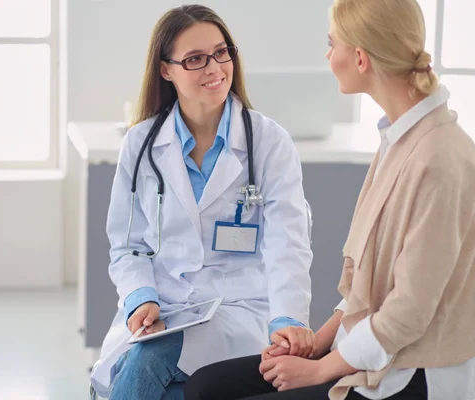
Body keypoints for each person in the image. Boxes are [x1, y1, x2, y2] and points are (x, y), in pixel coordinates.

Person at [184, 0, 475, 399]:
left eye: (331, 43)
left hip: (411, 371)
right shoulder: (397, 140)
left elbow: (407, 314)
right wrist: (315, 343)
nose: (327, 55)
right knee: (206, 387)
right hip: (363, 352)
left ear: (359, 58)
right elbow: (365, 291)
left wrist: (319, 370)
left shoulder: (439, 158)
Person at [90, 4, 315, 400]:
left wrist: (287, 318)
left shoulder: (268, 142)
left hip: (238, 308)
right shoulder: (141, 144)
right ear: (166, 70)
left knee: (147, 362)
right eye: (195, 59)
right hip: (164, 307)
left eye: (221, 52)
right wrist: (141, 297)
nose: (214, 67)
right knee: (166, 386)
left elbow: (288, 244)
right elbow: (128, 246)